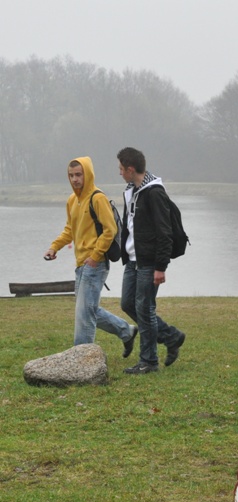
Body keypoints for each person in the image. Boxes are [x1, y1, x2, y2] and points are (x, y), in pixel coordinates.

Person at [44, 157, 138, 354]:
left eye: (79, 174)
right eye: (71, 175)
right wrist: (54, 247)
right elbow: (70, 230)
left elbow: (110, 230)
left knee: (84, 314)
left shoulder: (98, 198)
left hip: (96, 264)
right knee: (88, 310)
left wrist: (95, 256)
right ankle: (126, 331)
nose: (75, 179)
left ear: (87, 174)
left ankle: (81, 358)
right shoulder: (72, 200)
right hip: (81, 264)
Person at [117, 147, 186, 375]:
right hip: (133, 260)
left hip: (148, 262)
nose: (119, 173)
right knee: (128, 303)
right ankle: (171, 336)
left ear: (130, 169)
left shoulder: (154, 193)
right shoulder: (131, 191)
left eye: (121, 169)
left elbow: (164, 233)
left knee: (144, 309)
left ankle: (148, 361)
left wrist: (160, 267)